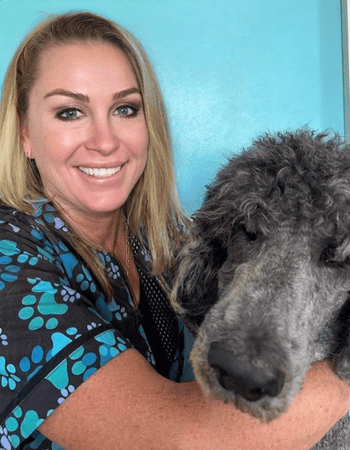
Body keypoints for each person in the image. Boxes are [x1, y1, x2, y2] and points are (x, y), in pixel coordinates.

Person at [0, 11, 349, 450]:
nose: (105, 141)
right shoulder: (8, 262)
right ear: (25, 132)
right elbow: (178, 442)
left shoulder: (155, 238)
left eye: (125, 108)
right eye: (70, 112)